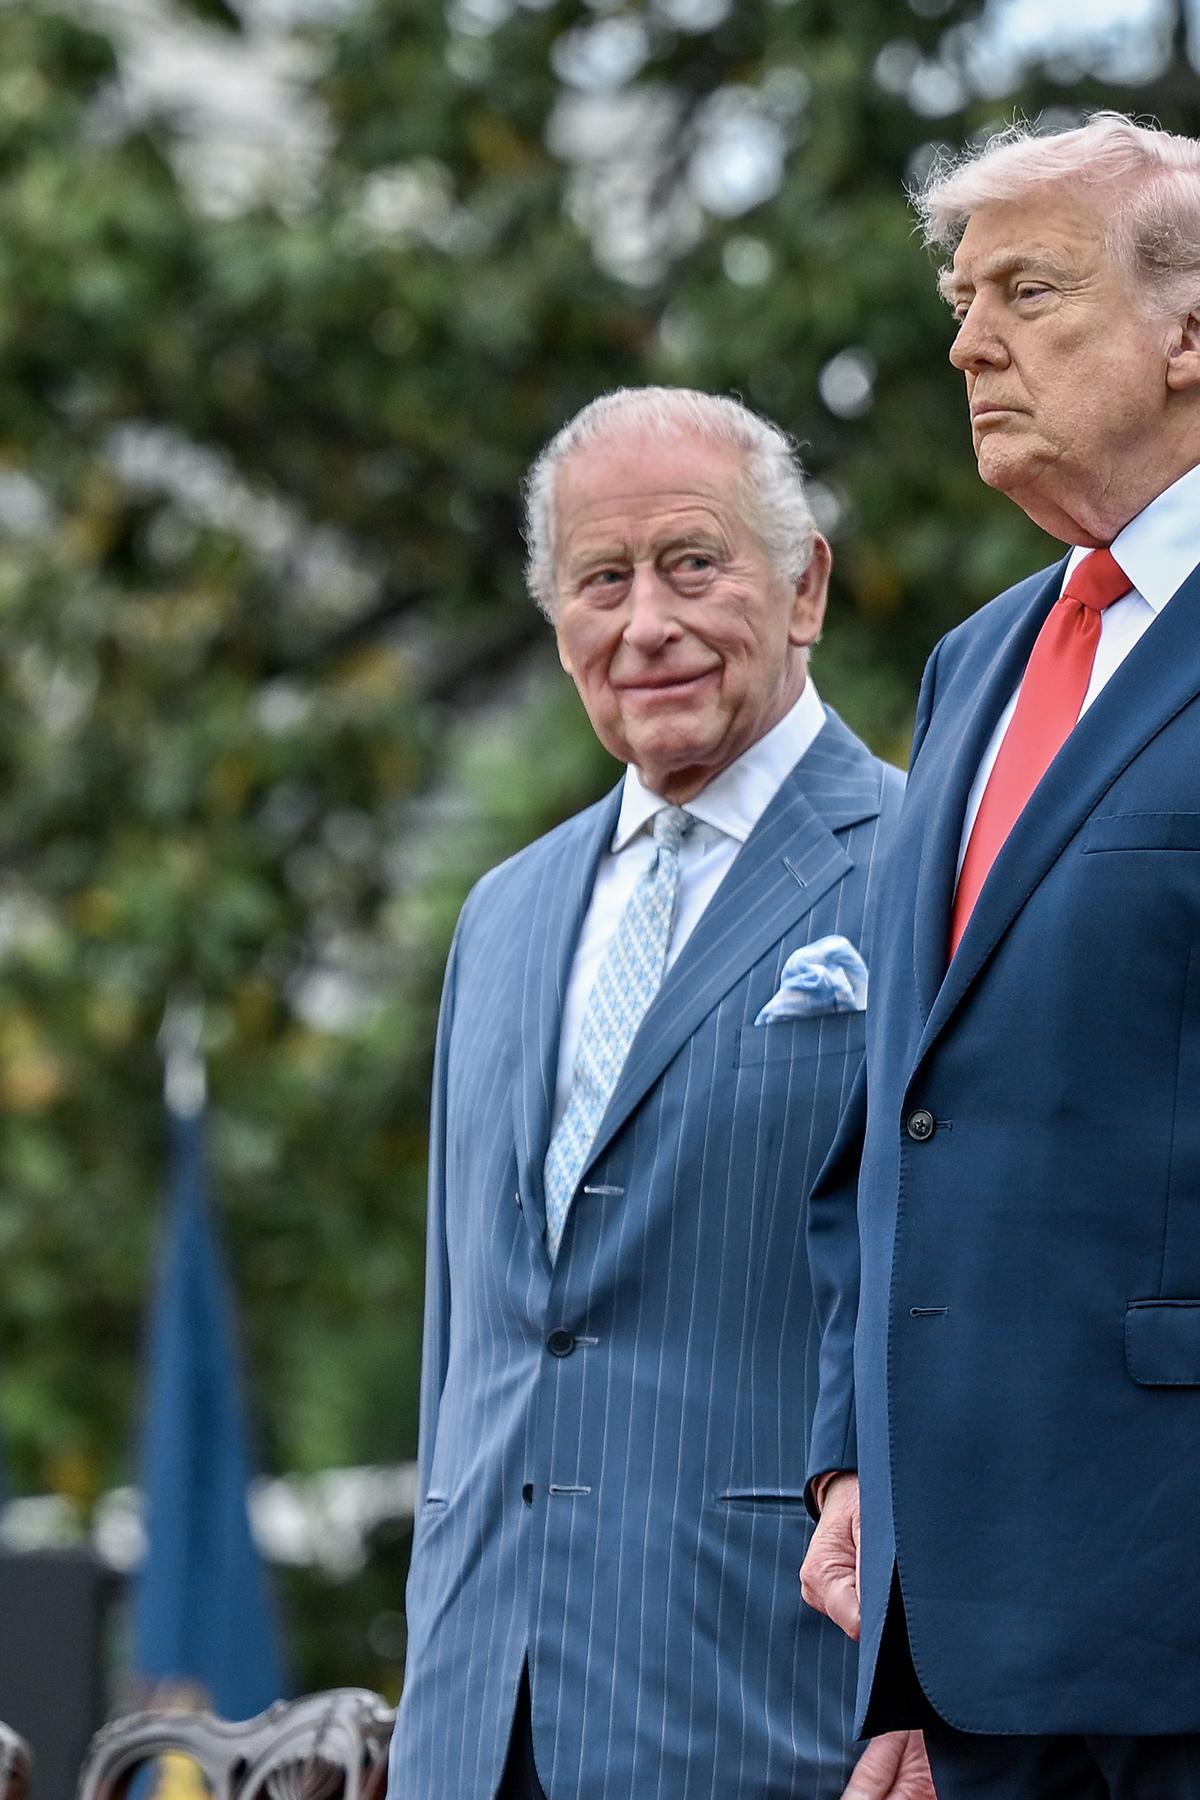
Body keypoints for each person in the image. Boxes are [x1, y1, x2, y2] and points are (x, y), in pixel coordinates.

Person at [387, 386, 904, 1800]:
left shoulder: (931, 870)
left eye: (693, 563)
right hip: (476, 1716)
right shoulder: (503, 911)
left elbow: (962, 1315)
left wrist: (925, 1688)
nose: (647, 624)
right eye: (602, 581)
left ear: (804, 587)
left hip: (780, 1707)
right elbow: (472, 1339)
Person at [801, 111, 1200, 1800]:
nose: (969, 341)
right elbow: (906, 1106)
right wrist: (854, 1474)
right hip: (967, 1632)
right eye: (964, 300)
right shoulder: (977, 663)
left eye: (1028, 290)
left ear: (1191, 328)